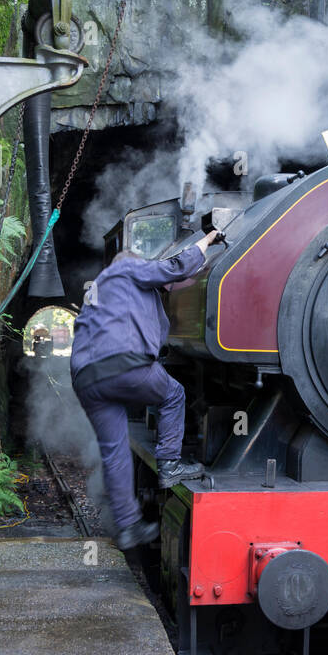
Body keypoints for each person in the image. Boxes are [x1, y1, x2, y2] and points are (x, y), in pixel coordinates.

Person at [71, 229, 221, 550]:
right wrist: (205, 242)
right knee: (173, 394)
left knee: (114, 450)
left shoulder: (97, 291)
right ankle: (169, 464)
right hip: (123, 365)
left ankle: (128, 528)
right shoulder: (126, 267)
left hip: (87, 378)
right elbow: (173, 269)